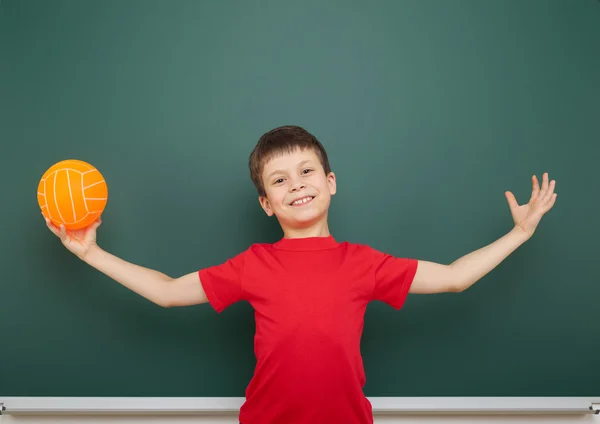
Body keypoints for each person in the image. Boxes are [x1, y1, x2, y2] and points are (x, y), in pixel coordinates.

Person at [44, 125, 557, 424]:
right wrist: (90, 255)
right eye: (280, 180)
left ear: (331, 182)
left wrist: (519, 235)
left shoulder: (363, 262)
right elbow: (168, 292)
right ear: (266, 203)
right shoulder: (254, 264)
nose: (297, 185)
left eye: (308, 171)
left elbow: (453, 277)